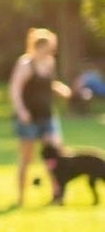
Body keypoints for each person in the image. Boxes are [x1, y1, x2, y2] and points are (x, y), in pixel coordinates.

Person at [8, 29, 71, 206]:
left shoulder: (49, 63)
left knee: (55, 155)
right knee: (26, 158)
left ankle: (57, 194)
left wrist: (60, 89)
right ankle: (21, 198)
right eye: (50, 46)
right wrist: (21, 111)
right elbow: (15, 88)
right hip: (29, 117)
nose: (52, 50)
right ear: (39, 46)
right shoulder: (26, 64)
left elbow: (49, 83)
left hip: (47, 116)